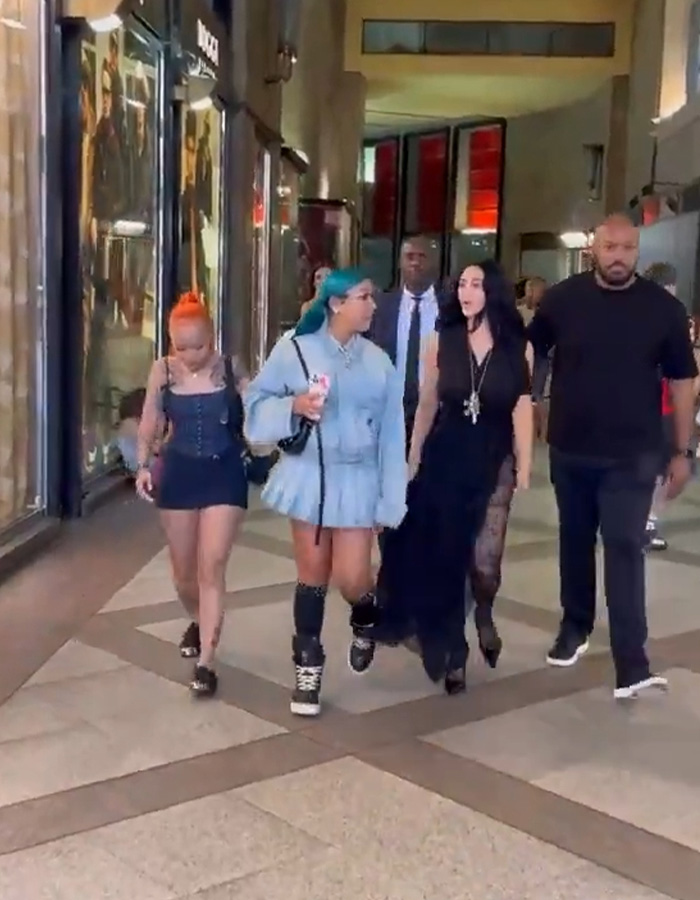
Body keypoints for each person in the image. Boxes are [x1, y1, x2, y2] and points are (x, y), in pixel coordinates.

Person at [528, 215, 698, 700]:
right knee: (574, 540)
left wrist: (682, 450)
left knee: (624, 544)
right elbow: (531, 352)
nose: (618, 256)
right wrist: (531, 404)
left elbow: (682, 382)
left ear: (637, 252)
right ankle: (574, 626)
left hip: (634, 453)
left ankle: (632, 662)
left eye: (627, 248)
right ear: (594, 250)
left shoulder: (663, 309)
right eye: (610, 247)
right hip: (571, 447)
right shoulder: (562, 300)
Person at [244, 268, 407, 717]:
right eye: (364, 297)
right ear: (336, 304)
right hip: (309, 476)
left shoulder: (379, 362)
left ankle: (364, 615)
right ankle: (307, 668)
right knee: (312, 574)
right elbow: (255, 403)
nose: (372, 305)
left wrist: (390, 499)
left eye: (372, 297)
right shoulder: (295, 349)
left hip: (358, 479)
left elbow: (392, 435)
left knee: (353, 578)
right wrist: (293, 405)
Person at [374, 260, 533, 694]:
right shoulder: (440, 341)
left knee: (485, 562)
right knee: (449, 556)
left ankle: (484, 611)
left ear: (493, 291)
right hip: (447, 454)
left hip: (494, 457)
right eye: (462, 284)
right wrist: (413, 457)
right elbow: (428, 402)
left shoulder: (518, 347)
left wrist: (525, 463)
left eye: (476, 284)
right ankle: (454, 652)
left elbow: (521, 405)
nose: (466, 292)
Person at [135, 292, 249, 698]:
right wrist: (143, 465)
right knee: (184, 575)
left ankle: (207, 662)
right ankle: (200, 621)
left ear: (212, 339)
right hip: (179, 472)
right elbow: (150, 420)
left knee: (211, 565)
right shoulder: (163, 371)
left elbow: (257, 406)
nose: (190, 355)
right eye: (181, 347)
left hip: (224, 471)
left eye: (198, 346)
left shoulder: (231, 368)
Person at [642, 263, 700, 550]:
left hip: (658, 403)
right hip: (659, 404)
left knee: (660, 468)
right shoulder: (668, 316)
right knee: (659, 467)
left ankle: (645, 519)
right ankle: (645, 520)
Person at [369, 236, 442, 447]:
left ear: (435, 262)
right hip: (390, 413)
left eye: (422, 257)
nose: (415, 263)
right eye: (410, 257)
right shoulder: (381, 307)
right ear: (400, 262)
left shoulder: (450, 307)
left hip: (438, 415)